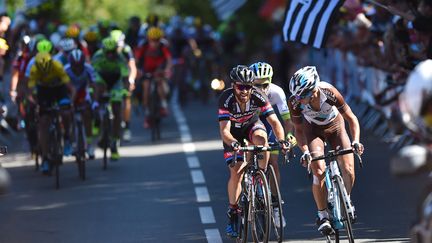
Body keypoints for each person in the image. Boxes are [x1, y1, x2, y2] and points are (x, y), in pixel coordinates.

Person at [287, 66, 364, 235]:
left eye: (302, 95)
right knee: (319, 170)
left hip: (336, 127)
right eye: (297, 96)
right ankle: (322, 215)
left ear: (313, 89)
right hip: (313, 131)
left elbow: (351, 118)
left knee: (349, 169)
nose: (299, 99)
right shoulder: (295, 102)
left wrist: (356, 141)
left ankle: (346, 199)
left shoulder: (329, 92)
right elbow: (298, 131)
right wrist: (305, 151)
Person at [218, 65, 289, 238]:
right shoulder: (226, 99)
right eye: (241, 87)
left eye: (248, 86)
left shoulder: (258, 95)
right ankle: (234, 212)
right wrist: (234, 143)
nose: (244, 91)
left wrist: (282, 141)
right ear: (234, 85)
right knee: (237, 171)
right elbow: (225, 131)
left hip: (251, 125)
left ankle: (260, 178)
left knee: (262, 140)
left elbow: (274, 122)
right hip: (233, 133)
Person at [249, 61, 296, 228]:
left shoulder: (276, 92)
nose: (261, 88)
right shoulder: (246, 92)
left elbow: (287, 121)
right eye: (256, 84)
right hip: (250, 124)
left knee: (273, 163)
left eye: (265, 84)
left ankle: (275, 206)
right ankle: (248, 196)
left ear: (270, 81)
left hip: (269, 123)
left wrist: (289, 137)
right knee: (245, 160)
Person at [27, 52, 75, 174]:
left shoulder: (57, 66)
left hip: (59, 90)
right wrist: (34, 102)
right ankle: (45, 158)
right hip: (44, 92)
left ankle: (67, 138)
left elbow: (70, 87)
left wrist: (71, 102)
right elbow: (31, 92)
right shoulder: (34, 69)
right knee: (43, 122)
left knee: (65, 112)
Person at [92, 37, 129, 161]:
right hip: (102, 80)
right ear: (103, 51)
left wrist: (125, 90)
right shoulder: (97, 57)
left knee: (117, 110)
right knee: (97, 88)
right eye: (108, 52)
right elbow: (93, 74)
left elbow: (125, 77)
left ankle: (114, 142)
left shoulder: (120, 57)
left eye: (112, 52)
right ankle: (98, 117)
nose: (110, 55)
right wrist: (95, 92)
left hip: (115, 81)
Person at [135, 27, 172, 128]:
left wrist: (167, 69)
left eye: (157, 40)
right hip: (146, 70)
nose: (155, 43)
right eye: (152, 40)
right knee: (146, 88)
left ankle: (163, 105)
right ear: (148, 39)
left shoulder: (163, 45)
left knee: (160, 83)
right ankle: (147, 114)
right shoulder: (143, 45)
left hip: (159, 70)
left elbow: (168, 59)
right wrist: (138, 70)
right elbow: (137, 60)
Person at [64, 49, 97, 159]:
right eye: (75, 66)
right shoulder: (66, 70)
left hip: (83, 92)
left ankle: (89, 143)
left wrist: (95, 102)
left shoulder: (88, 69)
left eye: (80, 66)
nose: (77, 68)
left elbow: (94, 85)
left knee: (87, 113)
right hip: (69, 93)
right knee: (67, 114)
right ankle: (70, 140)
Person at [110, 29, 137, 142]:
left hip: (124, 75)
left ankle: (126, 127)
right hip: (111, 76)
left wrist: (131, 80)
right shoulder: (107, 49)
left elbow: (132, 66)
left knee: (126, 99)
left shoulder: (126, 49)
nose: (117, 49)